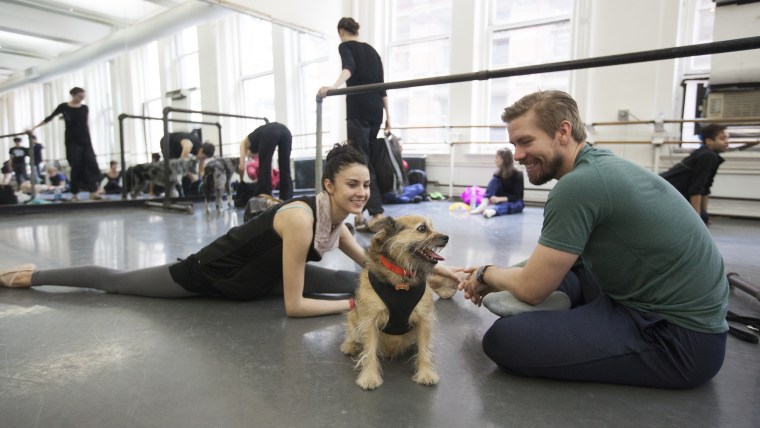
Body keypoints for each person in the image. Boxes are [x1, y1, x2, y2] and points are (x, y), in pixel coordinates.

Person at [458, 91, 728, 389]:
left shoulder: (577, 186)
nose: (518, 154)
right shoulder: (597, 163)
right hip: (655, 305)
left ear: (563, 132)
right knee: (574, 266)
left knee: (503, 338)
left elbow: (533, 289)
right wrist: (494, 276)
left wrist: (487, 273)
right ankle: (565, 301)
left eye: (526, 141)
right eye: (514, 145)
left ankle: (563, 304)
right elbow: (547, 261)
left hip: (679, 340)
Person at [0, 144, 459, 318]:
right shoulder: (302, 218)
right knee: (117, 284)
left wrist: (435, 275)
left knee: (351, 280)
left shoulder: (339, 219)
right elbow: (295, 306)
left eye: (365, 184)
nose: (362, 192)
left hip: (258, 280)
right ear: (329, 185)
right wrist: (362, 303)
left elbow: (373, 266)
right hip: (209, 275)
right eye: (352, 184)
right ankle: (33, 275)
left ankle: (431, 286)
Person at [318, 17, 389, 232]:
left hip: (358, 110)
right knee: (368, 162)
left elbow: (349, 68)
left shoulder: (345, 46)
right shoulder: (373, 52)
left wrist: (333, 87)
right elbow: (383, 88)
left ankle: (376, 213)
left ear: (341, 31)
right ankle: (364, 214)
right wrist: (389, 118)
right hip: (376, 111)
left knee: (361, 162)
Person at [31, 87, 101, 201]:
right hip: (72, 141)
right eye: (80, 97)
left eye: (83, 97)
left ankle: (93, 191)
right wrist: (34, 128)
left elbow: (83, 124)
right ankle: (74, 193)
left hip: (86, 141)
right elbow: (50, 117)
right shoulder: (64, 106)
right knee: (76, 167)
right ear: (73, 95)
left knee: (91, 165)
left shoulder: (84, 108)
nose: (82, 99)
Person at [660, 124, 729, 225]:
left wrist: (704, 214)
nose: (727, 141)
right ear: (709, 141)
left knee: (703, 217)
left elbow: (705, 188)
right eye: (722, 138)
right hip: (664, 191)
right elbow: (696, 188)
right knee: (700, 219)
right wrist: (697, 220)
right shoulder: (708, 156)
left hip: (673, 191)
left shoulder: (709, 155)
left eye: (728, 138)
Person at [238, 122, 293, 200]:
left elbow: (241, 167)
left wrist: (241, 182)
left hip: (270, 132)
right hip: (286, 131)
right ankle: (286, 199)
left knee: (264, 167)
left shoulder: (243, 144)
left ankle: (265, 199)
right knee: (285, 167)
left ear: (248, 151)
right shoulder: (257, 139)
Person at [471, 147, 525, 218]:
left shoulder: (518, 174)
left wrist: (499, 199)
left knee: (518, 204)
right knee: (494, 180)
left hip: (512, 201)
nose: (495, 160)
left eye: (497, 157)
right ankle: (484, 203)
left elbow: (517, 196)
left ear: (503, 159)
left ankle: (494, 211)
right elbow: (493, 191)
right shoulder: (497, 175)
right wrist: (492, 198)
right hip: (499, 201)